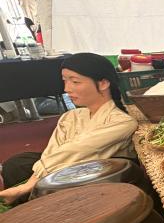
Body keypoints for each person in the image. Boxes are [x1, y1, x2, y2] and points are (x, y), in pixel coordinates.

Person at [0, 52, 138, 204]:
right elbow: (54, 151)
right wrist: (35, 179)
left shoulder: (122, 122)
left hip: (94, 174)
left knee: (40, 181)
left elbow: (76, 151)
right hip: (65, 165)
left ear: (103, 83)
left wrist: (28, 185)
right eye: (65, 81)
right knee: (17, 163)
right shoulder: (70, 116)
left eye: (75, 82)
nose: (67, 89)